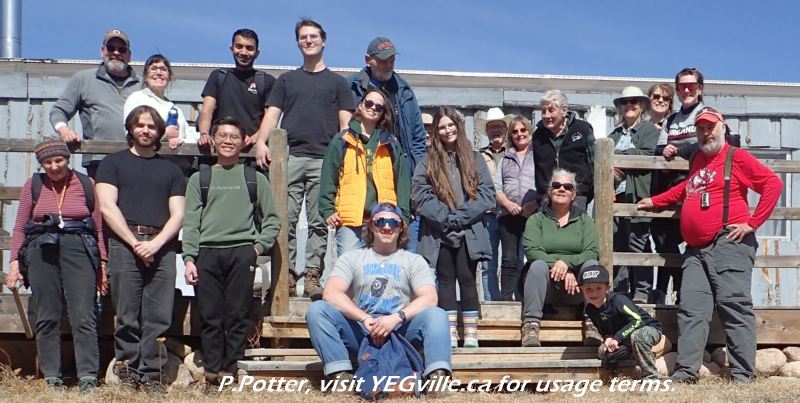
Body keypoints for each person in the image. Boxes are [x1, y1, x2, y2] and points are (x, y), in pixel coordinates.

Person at [638, 107, 782, 383]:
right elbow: (687, 189)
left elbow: (772, 184)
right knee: (691, 309)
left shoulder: (736, 157)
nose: (705, 133)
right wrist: (657, 201)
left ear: (723, 127)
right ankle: (686, 372)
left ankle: (742, 374)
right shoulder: (697, 160)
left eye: (710, 127)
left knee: (734, 306)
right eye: (700, 129)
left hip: (728, 243)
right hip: (695, 250)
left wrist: (752, 223)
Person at [253, 19, 355, 298]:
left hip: (325, 160)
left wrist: (345, 158)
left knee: (319, 221)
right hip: (289, 158)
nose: (308, 41)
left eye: (313, 36)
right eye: (303, 37)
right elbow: (272, 115)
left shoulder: (338, 83)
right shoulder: (287, 80)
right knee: (283, 218)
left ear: (324, 40)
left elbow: (346, 124)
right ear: (298, 43)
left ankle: (312, 276)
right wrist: (261, 142)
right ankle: (285, 275)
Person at [305, 202, 451, 387]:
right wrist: (365, 319)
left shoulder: (413, 260)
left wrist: (396, 318)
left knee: (436, 314)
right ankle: (340, 376)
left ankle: (438, 377)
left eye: (393, 223)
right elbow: (331, 293)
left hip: (400, 333)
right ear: (372, 226)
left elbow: (430, 297)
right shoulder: (352, 258)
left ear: (401, 228)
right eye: (380, 221)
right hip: (362, 332)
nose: (387, 227)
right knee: (317, 310)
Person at [182, 118, 280, 386]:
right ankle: (213, 370)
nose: (227, 140)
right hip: (207, 253)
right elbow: (190, 222)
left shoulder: (254, 178)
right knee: (211, 315)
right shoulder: (199, 179)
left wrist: (257, 248)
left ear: (243, 141)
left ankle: (233, 367)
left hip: (242, 253)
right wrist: (189, 258)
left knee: (238, 314)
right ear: (213, 140)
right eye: (222, 135)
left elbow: (272, 219)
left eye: (234, 136)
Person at [96, 105, 186, 392]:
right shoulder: (112, 164)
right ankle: (127, 372)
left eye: (151, 126)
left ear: (159, 131)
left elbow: (179, 214)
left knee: (159, 314)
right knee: (127, 313)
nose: (146, 130)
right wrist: (135, 243)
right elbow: (107, 207)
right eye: (140, 125)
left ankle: (152, 374)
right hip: (125, 244)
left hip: (163, 245)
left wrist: (156, 243)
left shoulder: (171, 170)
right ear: (131, 129)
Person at [6, 139, 107, 392]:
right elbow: (20, 226)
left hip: (79, 246)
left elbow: (99, 226)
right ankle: (52, 375)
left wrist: (102, 262)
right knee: (47, 313)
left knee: (83, 313)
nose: (54, 166)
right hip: (41, 248)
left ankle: (87, 376)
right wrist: (15, 261)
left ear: (67, 159)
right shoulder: (34, 185)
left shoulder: (86, 184)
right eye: (47, 162)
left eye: (58, 160)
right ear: (42, 164)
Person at [412, 107, 494, 348]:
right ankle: (448, 334)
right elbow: (420, 194)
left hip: (469, 230)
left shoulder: (475, 158)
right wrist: (445, 218)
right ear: (436, 132)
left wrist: (460, 216)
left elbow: (487, 194)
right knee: (445, 279)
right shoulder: (427, 161)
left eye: (451, 125)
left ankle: (470, 333)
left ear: (458, 126)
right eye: (442, 127)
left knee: (468, 278)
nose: (447, 131)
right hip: (440, 232)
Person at [348, 37, 426, 253]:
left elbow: (418, 138)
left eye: (391, 59)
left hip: (400, 171)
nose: (388, 64)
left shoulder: (404, 89)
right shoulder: (353, 86)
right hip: (365, 173)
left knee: (401, 237)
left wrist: (419, 176)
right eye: (383, 60)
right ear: (368, 60)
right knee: (367, 239)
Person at [319, 89, 410, 257]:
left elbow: (402, 182)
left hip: (384, 221)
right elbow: (328, 177)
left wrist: (403, 216)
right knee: (349, 273)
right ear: (360, 106)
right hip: (350, 221)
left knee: (382, 272)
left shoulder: (391, 143)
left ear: (383, 113)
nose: (373, 108)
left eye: (379, 107)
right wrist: (327, 210)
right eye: (369, 103)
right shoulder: (342, 140)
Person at [520, 169, 601, 347]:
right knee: (538, 265)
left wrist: (568, 265)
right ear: (550, 191)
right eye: (556, 186)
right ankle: (531, 326)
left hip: (576, 289)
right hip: (546, 287)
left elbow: (592, 251)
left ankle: (593, 324)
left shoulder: (585, 221)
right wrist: (559, 265)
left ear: (574, 194)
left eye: (567, 186)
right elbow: (532, 250)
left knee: (592, 265)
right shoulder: (536, 220)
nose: (561, 189)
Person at [49, 29, 140, 178]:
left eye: (122, 49)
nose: (116, 52)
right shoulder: (83, 79)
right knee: (103, 202)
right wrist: (65, 131)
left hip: (137, 159)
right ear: (102, 51)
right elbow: (58, 111)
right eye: (111, 48)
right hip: (99, 161)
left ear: (129, 55)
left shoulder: (143, 83)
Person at [651, 68, 706, 304]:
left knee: (693, 241)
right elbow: (658, 150)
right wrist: (665, 150)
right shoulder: (671, 120)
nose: (686, 90)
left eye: (691, 86)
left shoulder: (707, 113)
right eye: (681, 86)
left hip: (698, 187)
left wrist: (680, 151)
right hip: (671, 187)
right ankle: (669, 291)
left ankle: (688, 292)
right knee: (662, 237)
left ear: (700, 89)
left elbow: (709, 143)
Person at [608, 87, 661, 303]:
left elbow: (647, 154)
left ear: (642, 107)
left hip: (637, 195)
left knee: (639, 243)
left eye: (634, 102)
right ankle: (620, 292)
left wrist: (618, 156)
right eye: (624, 102)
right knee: (617, 244)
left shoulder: (650, 131)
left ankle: (642, 293)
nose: (629, 106)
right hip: (615, 198)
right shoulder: (614, 134)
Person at [197, 29, 275, 155]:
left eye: (249, 48)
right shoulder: (218, 76)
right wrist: (204, 134)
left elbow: (270, 118)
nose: (244, 52)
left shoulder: (267, 81)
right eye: (239, 46)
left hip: (251, 154)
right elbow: (206, 111)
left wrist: (254, 139)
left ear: (257, 53)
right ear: (231, 48)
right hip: (219, 151)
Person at [579, 264, 664, 379]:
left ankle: (650, 377)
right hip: (625, 337)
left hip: (647, 329)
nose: (593, 293)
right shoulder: (590, 309)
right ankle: (624, 368)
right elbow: (604, 330)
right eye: (588, 289)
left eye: (598, 288)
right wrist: (608, 338)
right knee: (603, 352)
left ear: (607, 288)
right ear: (581, 290)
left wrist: (617, 338)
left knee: (638, 336)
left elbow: (638, 321)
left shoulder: (618, 300)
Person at [123, 54, 197, 174]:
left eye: (163, 69)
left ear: (169, 77)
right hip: (146, 168)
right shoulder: (137, 99)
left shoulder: (175, 109)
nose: (158, 72)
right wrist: (163, 134)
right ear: (145, 76)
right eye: (153, 68)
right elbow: (130, 134)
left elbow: (191, 138)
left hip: (177, 171)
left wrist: (181, 141)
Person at [494, 116, 537, 301]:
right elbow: (496, 187)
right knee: (509, 259)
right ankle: (506, 299)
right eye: (515, 131)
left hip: (533, 214)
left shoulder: (538, 155)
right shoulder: (505, 158)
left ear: (529, 131)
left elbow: (547, 185)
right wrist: (507, 204)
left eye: (523, 130)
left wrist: (533, 205)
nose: (519, 134)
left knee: (531, 257)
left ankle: (524, 297)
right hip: (508, 214)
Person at [531, 90, 596, 210]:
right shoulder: (537, 136)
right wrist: (541, 196)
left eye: (551, 110)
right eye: (543, 111)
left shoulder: (583, 130)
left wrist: (585, 192)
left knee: (574, 228)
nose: (546, 116)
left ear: (564, 110)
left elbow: (595, 165)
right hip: (547, 199)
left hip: (577, 197)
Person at [475, 107, 514, 301]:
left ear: (506, 129)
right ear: (487, 131)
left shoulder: (515, 153)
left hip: (511, 215)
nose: (496, 130)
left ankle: (512, 301)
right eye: (492, 127)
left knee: (512, 260)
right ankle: (492, 303)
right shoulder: (479, 155)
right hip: (488, 214)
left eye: (500, 126)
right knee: (488, 263)